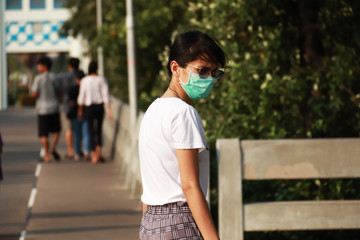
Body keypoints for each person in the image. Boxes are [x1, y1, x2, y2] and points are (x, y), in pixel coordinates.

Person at [138, 31, 226, 240]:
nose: (209, 79)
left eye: (214, 73)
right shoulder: (184, 112)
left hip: (151, 221)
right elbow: (190, 185)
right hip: (180, 222)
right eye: (202, 71)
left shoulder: (152, 111)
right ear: (176, 68)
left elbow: (149, 184)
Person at [77, 61, 112, 164]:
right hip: (99, 107)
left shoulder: (84, 80)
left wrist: (80, 110)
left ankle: (93, 156)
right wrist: (109, 109)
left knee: (90, 131)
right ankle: (99, 153)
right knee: (99, 130)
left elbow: (81, 96)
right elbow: (105, 96)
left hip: (88, 107)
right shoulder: (101, 79)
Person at [32, 57, 62, 162]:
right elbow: (59, 92)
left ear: (44, 66)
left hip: (42, 109)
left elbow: (34, 93)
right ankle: (53, 148)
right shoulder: (55, 77)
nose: (38, 67)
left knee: (43, 134)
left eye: (39, 65)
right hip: (54, 107)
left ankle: (47, 155)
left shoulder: (38, 78)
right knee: (56, 130)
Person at [57, 57, 80, 159]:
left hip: (67, 105)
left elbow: (59, 89)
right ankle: (79, 151)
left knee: (68, 129)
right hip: (81, 105)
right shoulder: (82, 75)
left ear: (69, 66)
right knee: (79, 129)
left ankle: (70, 151)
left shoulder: (64, 77)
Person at [67, 70, 90, 161]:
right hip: (87, 112)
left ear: (77, 79)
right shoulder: (87, 88)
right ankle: (86, 152)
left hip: (76, 114)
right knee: (86, 134)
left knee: (78, 135)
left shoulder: (74, 89)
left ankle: (77, 153)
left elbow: (72, 102)